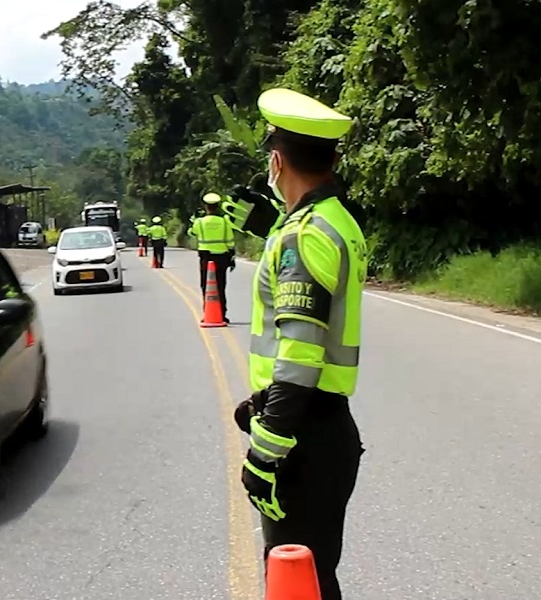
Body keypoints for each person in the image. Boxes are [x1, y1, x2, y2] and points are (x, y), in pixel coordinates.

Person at [232, 87, 368, 600]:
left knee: (295, 578)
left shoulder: (305, 234)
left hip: (303, 438)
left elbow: (302, 352)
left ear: (275, 160)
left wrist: (265, 454)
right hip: (322, 426)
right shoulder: (337, 221)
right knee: (314, 576)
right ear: (331, 159)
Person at [188, 193, 235, 323]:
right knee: (221, 286)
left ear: (205, 207)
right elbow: (230, 241)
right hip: (222, 257)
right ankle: (223, 314)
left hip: (206, 257)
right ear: (218, 206)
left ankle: (208, 312)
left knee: (206, 286)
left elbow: (192, 232)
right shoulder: (225, 222)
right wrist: (232, 256)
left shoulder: (200, 222)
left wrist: (194, 221)